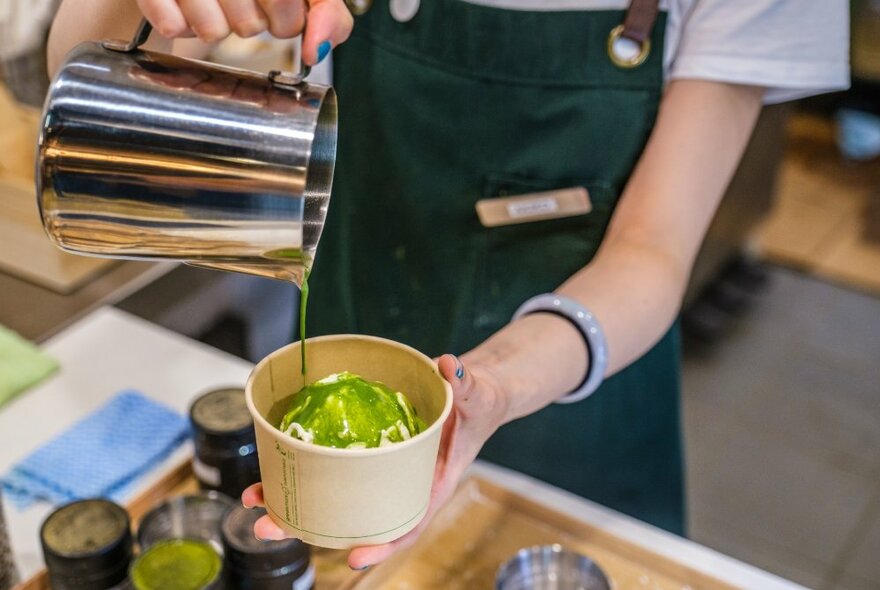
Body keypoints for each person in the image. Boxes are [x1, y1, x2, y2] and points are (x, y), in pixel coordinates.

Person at [48, 0, 849, 570]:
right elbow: (72, 92)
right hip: (347, 331)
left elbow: (653, 251)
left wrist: (492, 388)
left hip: (574, 396)